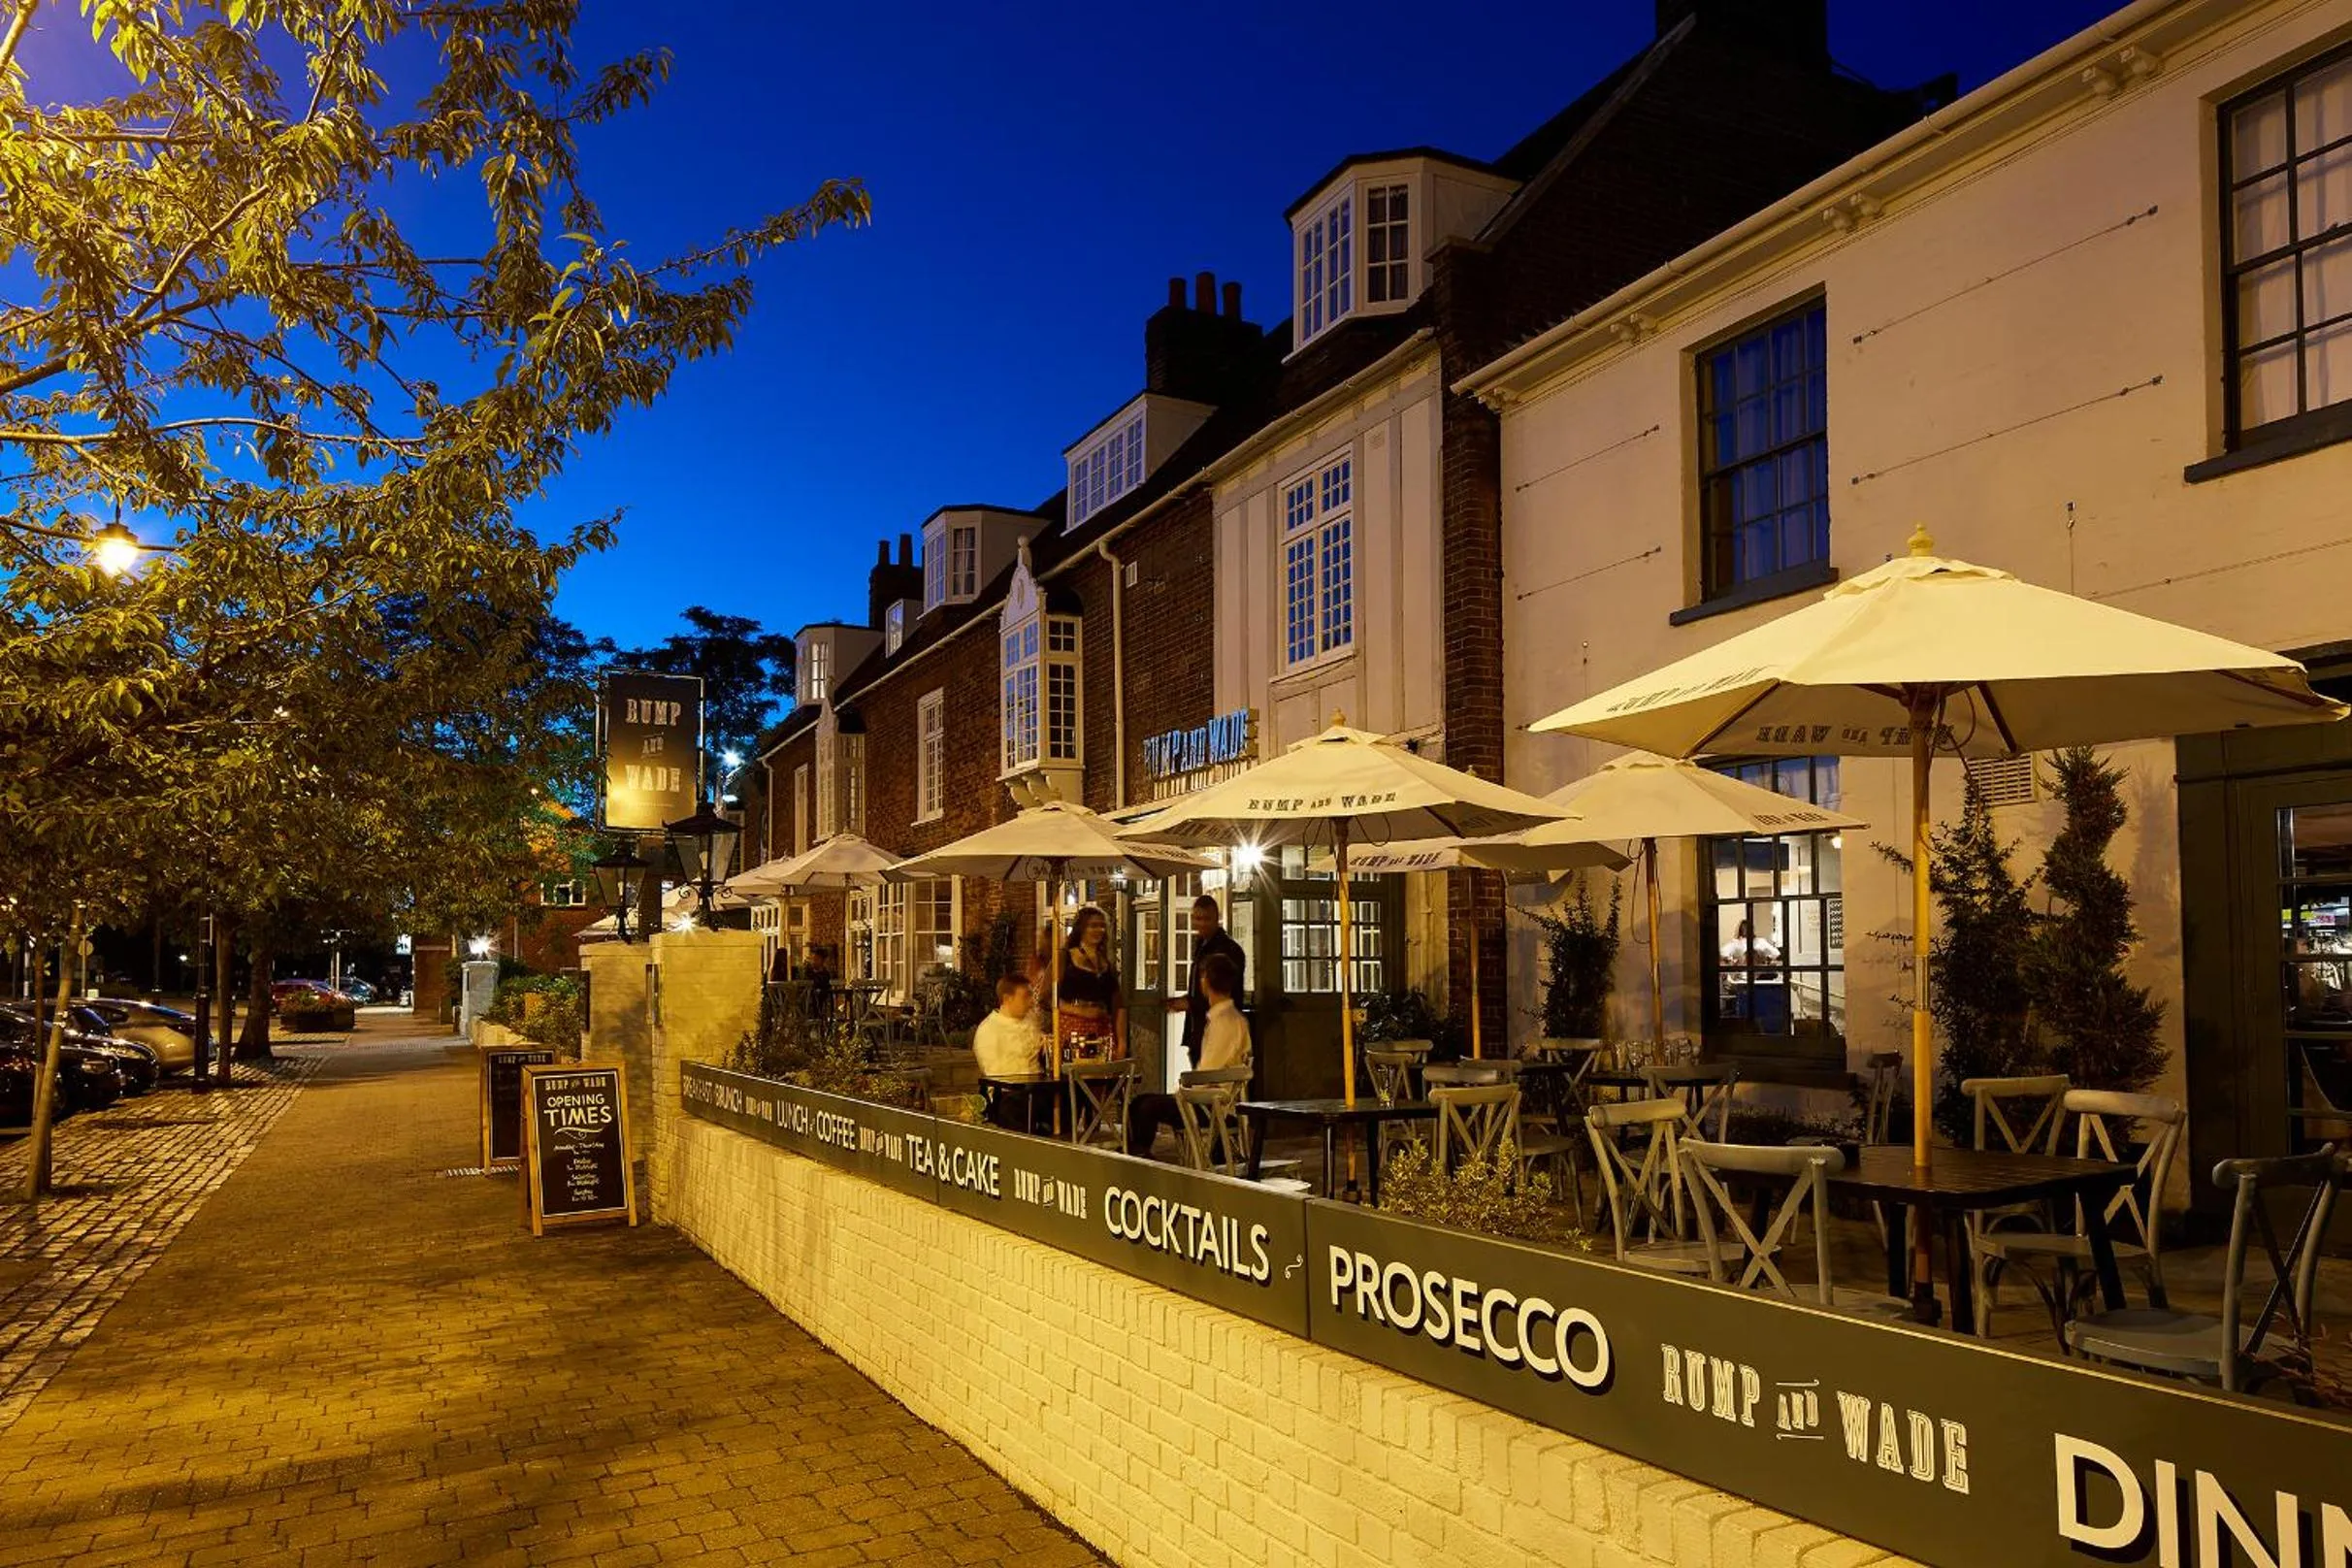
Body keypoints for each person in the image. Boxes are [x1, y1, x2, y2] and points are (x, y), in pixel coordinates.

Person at [1127, 951, 1249, 1158]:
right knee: (1141, 1102)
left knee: (1145, 1106)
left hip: (1210, 1104)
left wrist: (1183, 1089)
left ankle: (1138, 1160)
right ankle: (1139, 1154)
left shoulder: (1222, 1023)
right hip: (1217, 1100)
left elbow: (1208, 1073)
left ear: (1205, 981)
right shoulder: (1236, 1019)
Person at [1180, 895, 1245, 1070]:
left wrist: (1190, 1003)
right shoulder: (1201, 946)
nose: (1201, 924)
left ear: (1217, 919)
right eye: (1197, 918)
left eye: (1206, 919)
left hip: (1215, 1025)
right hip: (1198, 1030)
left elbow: (1225, 991)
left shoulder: (1227, 950)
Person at [1055, 905, 1126, 1060]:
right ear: (1081, 928)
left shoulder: (1106, 962)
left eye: (1102, 926)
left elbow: (1117, 1005)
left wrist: (1121, 1042)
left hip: (1102, 1029)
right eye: (1093, 926)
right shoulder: (1064, 957)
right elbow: (1048, 998)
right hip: (1072, 1027)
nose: (1099, 930)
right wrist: (1080, 1011)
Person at [972, 974, 1046, 1080]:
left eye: (1031, 996)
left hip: (1039, 1084)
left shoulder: (1032, 1021)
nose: (1032, 1002)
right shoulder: (989, 1031)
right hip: (1008, 1087)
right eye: (1026, 997)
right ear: (1007, 999)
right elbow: (995, 1074)